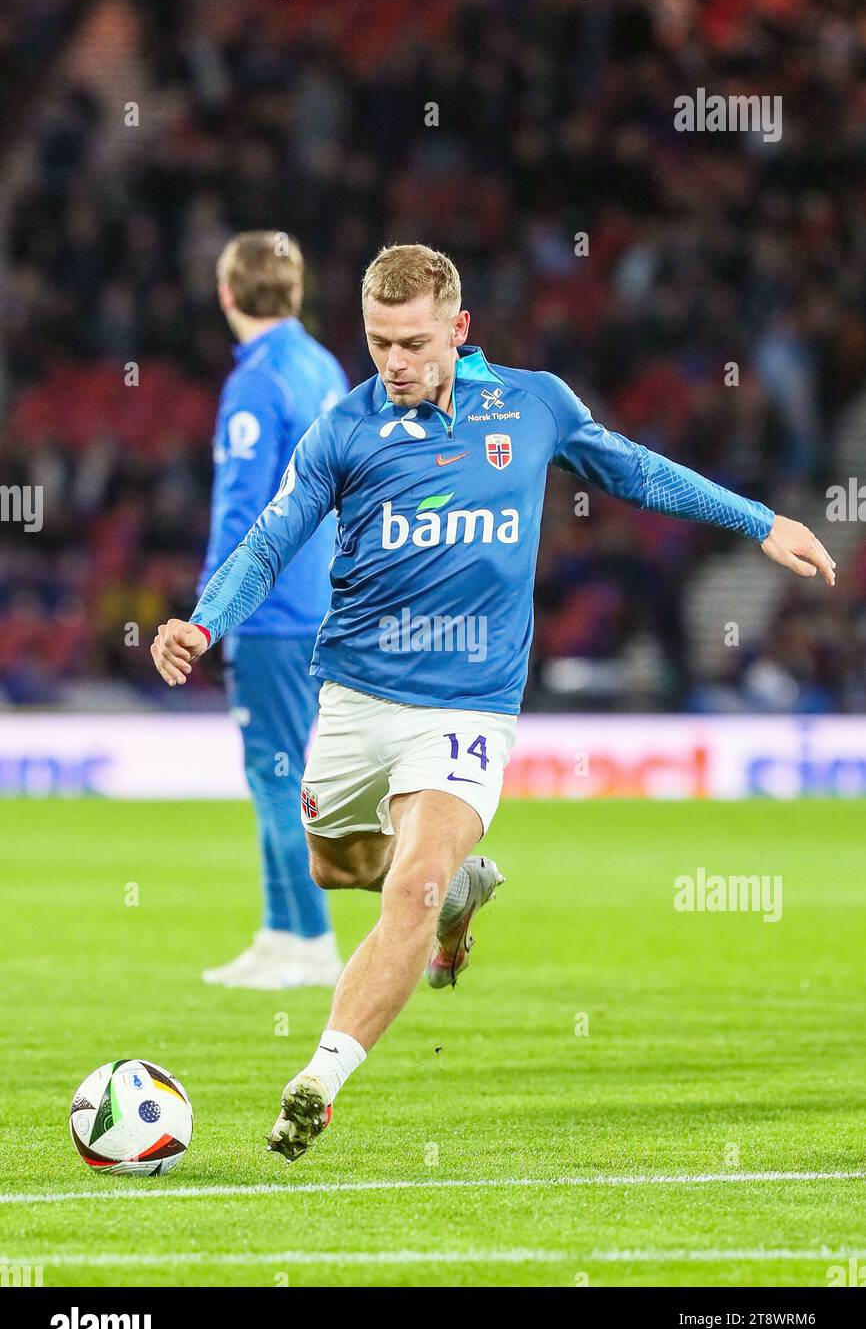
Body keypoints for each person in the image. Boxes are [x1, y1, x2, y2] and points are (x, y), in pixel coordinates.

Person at [151, 243, 835, 1160]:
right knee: (338, 868)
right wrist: (204, 623)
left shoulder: (533, 405)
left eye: (412, 342)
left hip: (470, 707)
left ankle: (320, 1078)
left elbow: (635, 471)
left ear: (458, 329)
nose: (392, 362)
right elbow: (267, 546)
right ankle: (456, 900)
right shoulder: (344, 430)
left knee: (414, 881)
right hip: (356, 696)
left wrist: (763, 522)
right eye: (378, 342)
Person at [198, 231, 348, 989]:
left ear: (228, 295)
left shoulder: (255, 383)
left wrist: (208, 611)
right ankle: (281, 931)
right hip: (320, 596)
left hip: (270, 607)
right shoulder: (324, 367)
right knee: (278, 767)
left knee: (272, 773)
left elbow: (241, 510)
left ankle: (311, 940)